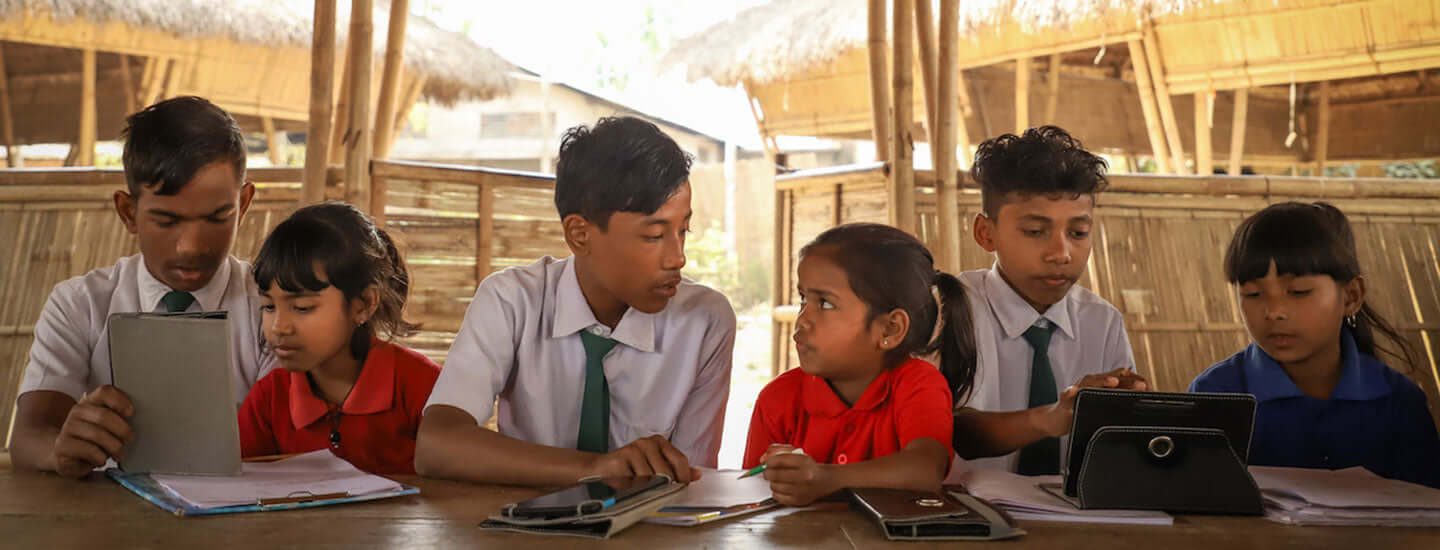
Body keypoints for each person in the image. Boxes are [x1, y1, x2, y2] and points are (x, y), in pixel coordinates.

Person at [415, 116, 736, 486]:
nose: (677, 258)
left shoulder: (705, 321)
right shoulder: (513, 301)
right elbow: (437, 445)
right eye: (654, 235)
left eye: (683, 231)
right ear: (580, 234)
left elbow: (691, 477)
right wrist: (594, 470)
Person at [10, 96, 274, 477]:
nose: (192, 247)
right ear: (128, 212)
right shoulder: (80, 305)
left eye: (218, 218)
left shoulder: (271, 307)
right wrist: (59, 448)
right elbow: (29, 436)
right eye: (166, 221)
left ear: (244, 204)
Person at [1189, 201, 1440, 489]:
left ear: (1350, 297)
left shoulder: (1398, 403)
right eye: (1253, 293)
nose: (1274, 311)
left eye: (1298, 292)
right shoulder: (1216, 395)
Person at [952, 126, 1147, 475]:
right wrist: (1050, 419)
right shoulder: (953, 311)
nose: (1061, 253)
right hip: (964, 517)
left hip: (1072, 519)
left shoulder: (1102, 323)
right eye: (1035, 231)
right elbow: (951, 430)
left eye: (1078, 233)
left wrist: (1131, 409)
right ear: (986, 233)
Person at [743, 224, 975, 506]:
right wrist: (780, 476)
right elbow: (751, 495)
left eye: (825, 304)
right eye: (803, 298)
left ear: (890, 329)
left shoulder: (917, 384)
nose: (802, 319)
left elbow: (925, 470)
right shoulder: (779, 398)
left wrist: (827, 479)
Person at [238, 202, 439, 475]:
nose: (279, 328)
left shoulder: (422, 387)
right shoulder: (269, 400)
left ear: (364, 304)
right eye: (269, 306)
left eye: (302, 308)